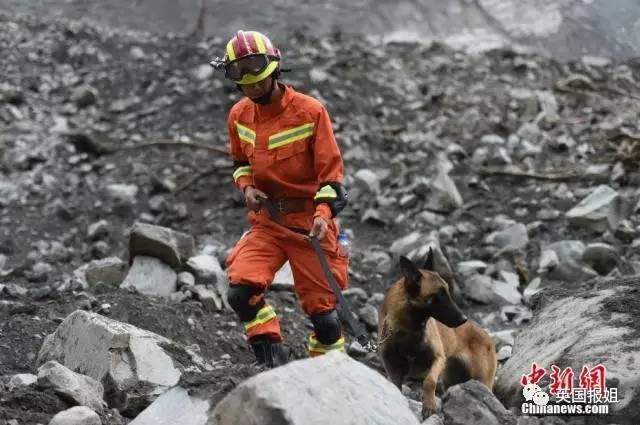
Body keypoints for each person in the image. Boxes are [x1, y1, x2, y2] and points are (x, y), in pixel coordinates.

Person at [211, 30, 350, 368]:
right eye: (241, 78)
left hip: (309, 227)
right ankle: (271, 357)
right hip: (268, 223)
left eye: (257, 75)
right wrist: (246, 187)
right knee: (240, 293)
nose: (252, 84)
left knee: (327, 321)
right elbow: (239, 163)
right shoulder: (238, 116)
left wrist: (322, 213)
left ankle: (328, 374)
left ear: (274, 69)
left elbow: (332, 176)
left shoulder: (311, 112)